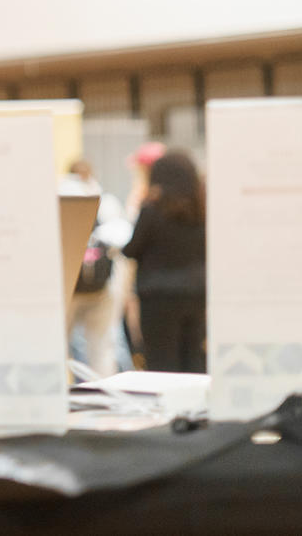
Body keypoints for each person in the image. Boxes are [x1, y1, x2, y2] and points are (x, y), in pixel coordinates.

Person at [123, 150, 207, 373]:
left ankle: (168, 409)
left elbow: (132, 249)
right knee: (194, 359)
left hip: (158, 296)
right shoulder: (202, 211)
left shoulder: (152, 210)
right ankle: (196, 407)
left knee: (162, 364)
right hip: (197, 293)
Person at [59, 158, 130, 378]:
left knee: (61, 346)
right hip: (101, 286)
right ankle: (106, 397)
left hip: (69, 285)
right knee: (102, 348)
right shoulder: (104, 201)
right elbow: (123, 238)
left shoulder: (60, 198)